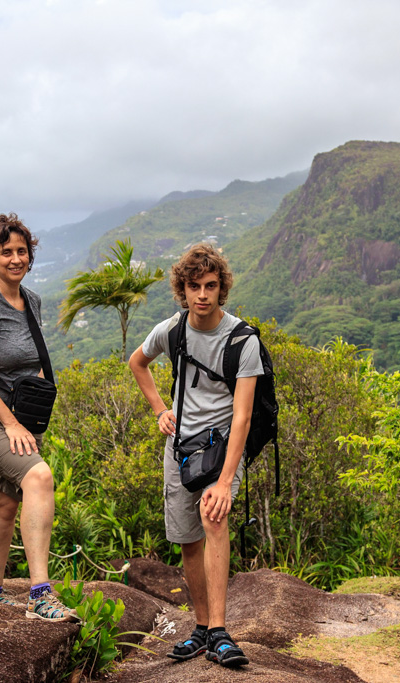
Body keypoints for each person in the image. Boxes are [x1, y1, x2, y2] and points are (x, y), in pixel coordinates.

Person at [128, 243, 261, 668]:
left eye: (210, 286)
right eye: (193, 286)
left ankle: (220, 631)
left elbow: (242, 416)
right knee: (187, 539)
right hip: (181, 448)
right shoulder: (173, 329)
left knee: (213, 517)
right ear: (182, 289)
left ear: (221, 289)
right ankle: (202, 629)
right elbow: (138, 362)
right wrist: (159, 410)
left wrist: (224, 481)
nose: (202, 295)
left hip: (221, 446)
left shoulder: (243, 341)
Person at [0, 213, 77, 622]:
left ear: (30, 256)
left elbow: (31, 363)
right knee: (39, 478)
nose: (14, 258)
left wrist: (29, 416)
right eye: (5, 251)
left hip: (22, 420)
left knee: (4, 504)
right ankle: (40, 595)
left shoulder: (33, 301)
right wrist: (9, 423)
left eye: (21, 251)